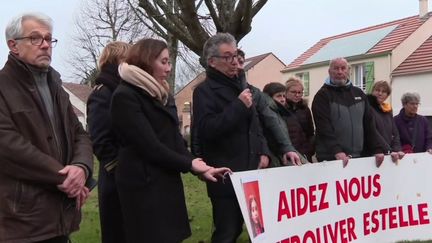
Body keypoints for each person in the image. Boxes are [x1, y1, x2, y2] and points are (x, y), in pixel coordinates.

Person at [110, 38, 230, 243]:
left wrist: (199, 166)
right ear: (147, 61)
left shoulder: (160, 93)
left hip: (165, 181)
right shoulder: (125, 96)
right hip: (142, 186)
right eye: (163, 62)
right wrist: (189, 163)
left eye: (169, 61)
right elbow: (149, 146)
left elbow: (173, 139)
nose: (169, 67)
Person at [0, 12, 94, 243]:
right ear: (13, 45)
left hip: (61, 217)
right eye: (35, 38)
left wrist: (81, 168)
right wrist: (64, 178)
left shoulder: (56, 87)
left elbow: (79, 135)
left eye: (48, 38)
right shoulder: (3, 87)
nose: (45, 45)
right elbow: (8, 146)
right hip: (22, 222)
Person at [192, 33, 270, 243]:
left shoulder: (242, 86)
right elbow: (207, 129)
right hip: (225, 174)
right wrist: (237, 106)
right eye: (228, 57)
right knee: (228, 232)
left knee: (258, 229)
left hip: (252, 170)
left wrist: (263, 151)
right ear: (212, 62)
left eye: (235, 55)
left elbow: (255, 124)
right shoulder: (203, 92)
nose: (235, 61)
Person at [87, 41, 130, 243]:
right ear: (117, 61)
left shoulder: (125, 90)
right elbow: (100, 138)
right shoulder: (103, 93)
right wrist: (118, 169)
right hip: (116, 179)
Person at [312, 57, 385, 167]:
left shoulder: (359, 94)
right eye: (336, 68)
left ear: (348, 71)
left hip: (359, 157)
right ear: (329, 71)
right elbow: (324, 128)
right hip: (331, 158)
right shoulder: (322, 96)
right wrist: (337, 151)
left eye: (343, 68)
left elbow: (369, 125)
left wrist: (377, 149)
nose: (340, 72)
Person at [236, 49, 301, 166]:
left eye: (241, 62)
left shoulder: (255, 93)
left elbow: (273, 124)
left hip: (274, 155)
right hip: (244, 155)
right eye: (278, 96)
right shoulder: (208, 90)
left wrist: (288, 148)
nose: (238, 66)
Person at [263, 82, 313, 163]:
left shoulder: (282, 112)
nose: (282, 99)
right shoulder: (268, 114)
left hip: (296, 153)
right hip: (281, 156)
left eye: (283, 96)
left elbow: (310, 133)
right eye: (279, 96)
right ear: (268, 97)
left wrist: (309, 151)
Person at [366, 81, 404, 162]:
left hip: (389, 154)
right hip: (375, 154)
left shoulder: (387, 110)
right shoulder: (367, 108)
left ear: (387, 95)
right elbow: (373, 131)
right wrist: (389, 150)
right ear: (372, 91)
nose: (380, 93)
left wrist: (397, 149)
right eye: (377, 90)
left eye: (383, 92)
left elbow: (395, 133)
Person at [285, 77, 315, 161]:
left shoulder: (305, 109)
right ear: (286, 92)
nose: (297, 95)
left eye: (300, 92)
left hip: (305, 154)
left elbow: (310, 132)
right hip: (288, 154)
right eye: (293, 92)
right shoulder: (281, 109)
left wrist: (310, 150)